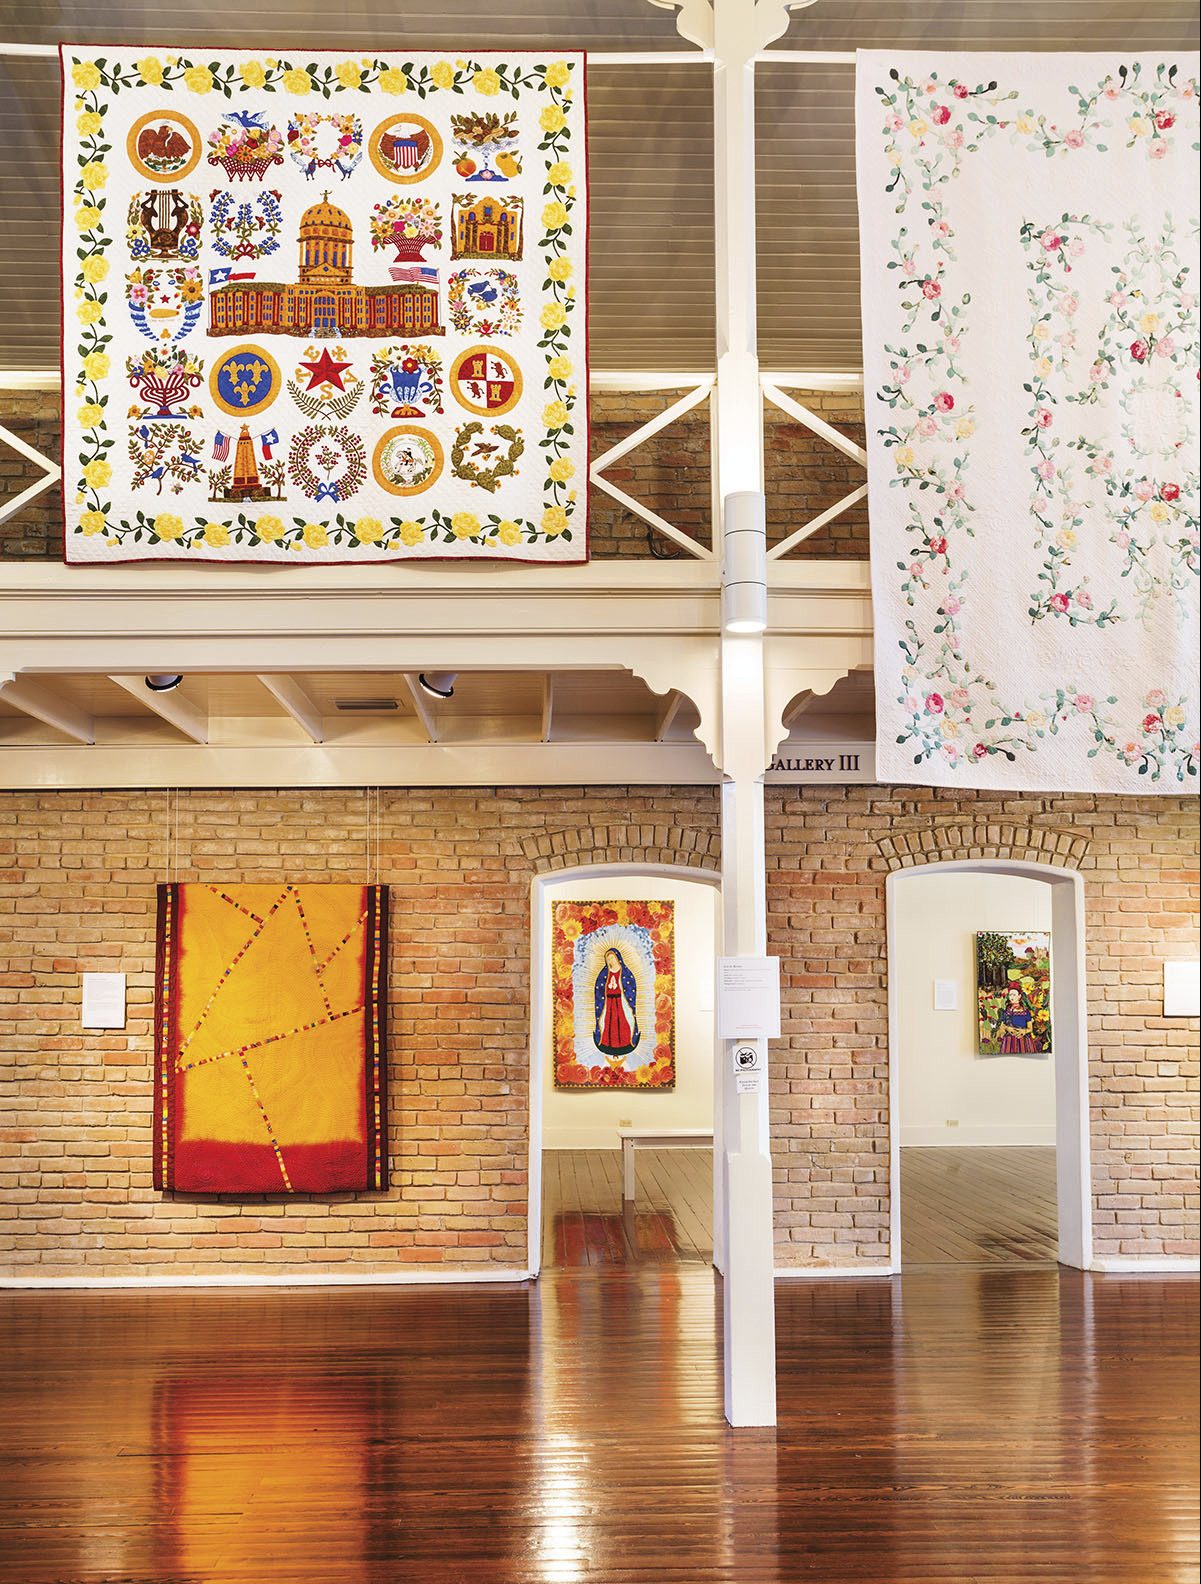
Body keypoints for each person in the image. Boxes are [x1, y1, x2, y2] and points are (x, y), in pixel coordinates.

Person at [593, 947, 640, 1059]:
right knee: (609, 1024)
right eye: (607, 959)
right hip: (608, 1003)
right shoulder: (604, 974)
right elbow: (599, 990)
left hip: (620, 1002)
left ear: (617, 958)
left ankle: (624, 1044)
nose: (610, 961)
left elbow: (630, 988)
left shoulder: (625, 973)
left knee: (622, 1023)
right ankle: (608, 1045)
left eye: (612, 958)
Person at [996, 984, 1038, 1054]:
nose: (1011, 997)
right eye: (1010, 995)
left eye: (1014, 995)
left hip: (1024, 1040)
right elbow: (1002, 1026)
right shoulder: (1007, 1011)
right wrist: (1008, 1028)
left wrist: (1024, 1031)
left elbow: (1030, 1029)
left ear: (1019, 996)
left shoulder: (1025, 1012)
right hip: (1009, 1040)